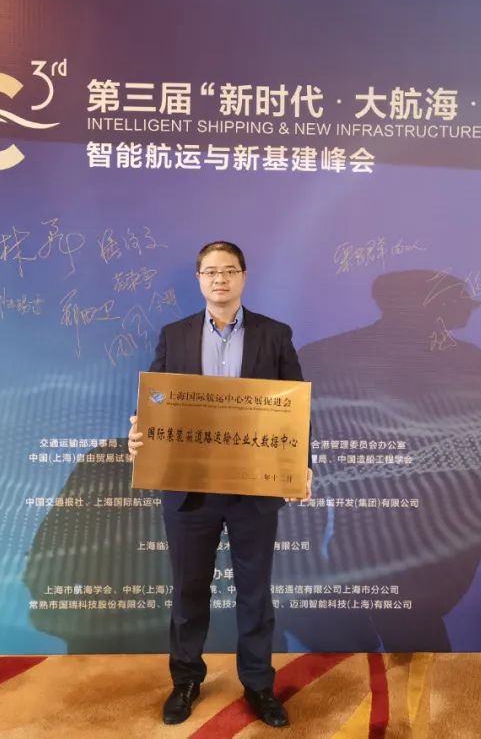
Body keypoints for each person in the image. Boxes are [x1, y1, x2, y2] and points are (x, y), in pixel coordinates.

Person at [127, 241, 310, 728]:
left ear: (244, 276)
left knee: (255, 592)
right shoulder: (175, 335)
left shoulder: (275, 335)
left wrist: (301, 465)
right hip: (190, 490)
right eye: (211, 272)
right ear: (199, 279)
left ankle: (259, 685)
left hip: (254, 489)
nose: (220, 279)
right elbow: (158, 403)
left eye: (229, 270)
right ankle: (186, 680)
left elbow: (296, 408)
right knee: (189, 590)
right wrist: (141, 433)